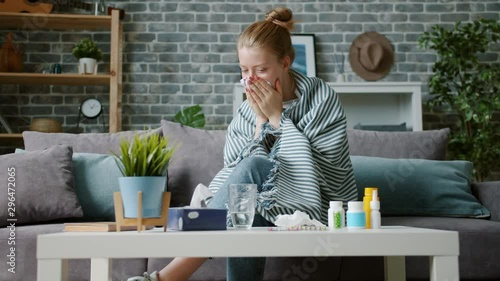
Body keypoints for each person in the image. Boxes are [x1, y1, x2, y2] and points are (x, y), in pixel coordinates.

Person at [128, 6, 357, 281]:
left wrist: (276, 117)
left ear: (285, 63)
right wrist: (260, 123)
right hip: (260, 201)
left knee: (252, 177)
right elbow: (235, 169)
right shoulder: (248, 107)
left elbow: (326, 166)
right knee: (247, 202)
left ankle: (168, 276)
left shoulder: (321, 96)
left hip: (315, 201)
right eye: (244, 70)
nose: (250, 79)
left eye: (261, 69)